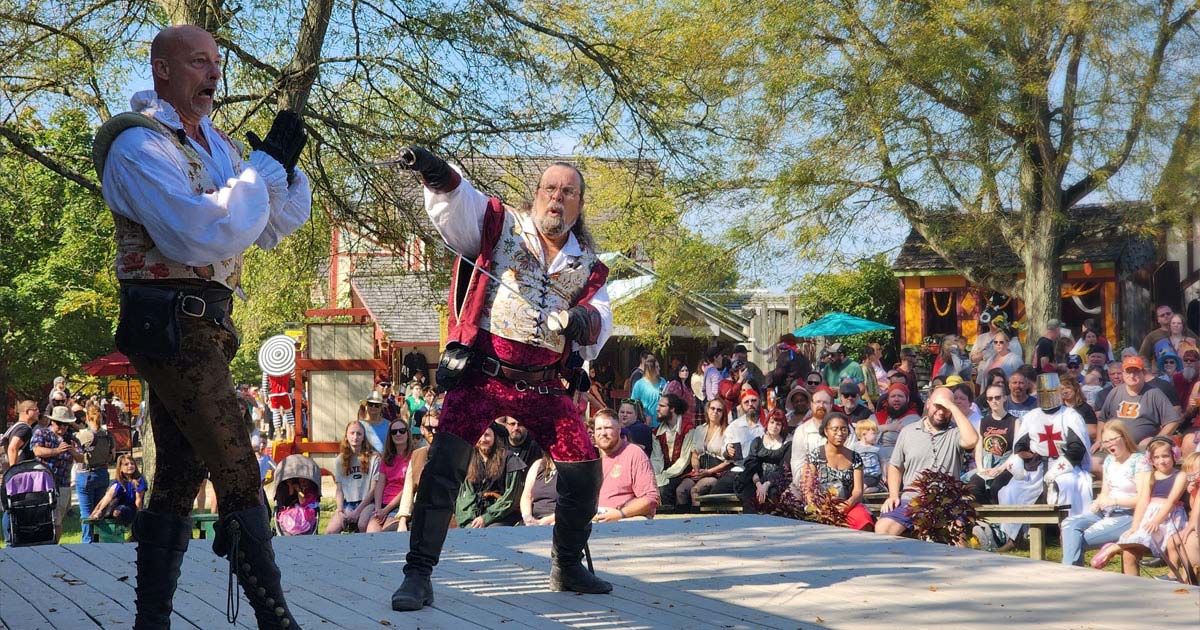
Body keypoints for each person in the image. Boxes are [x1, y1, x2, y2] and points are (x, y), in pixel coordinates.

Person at [92, 23, 311, 627]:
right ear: (162, 70)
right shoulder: (137, 144)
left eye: (216, 62)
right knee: (237, 460)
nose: (214, 73)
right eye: (197, 62)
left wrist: (281, 168)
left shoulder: (214, 144)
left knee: (181, 473)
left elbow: (266, 225)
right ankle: (276, 619)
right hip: (166, 320)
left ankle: (151, 619)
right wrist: (260, 172)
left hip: (207, 322)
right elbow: (197, 230)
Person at [391, 148, 614, 608]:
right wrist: (431, 168)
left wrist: (578, 321)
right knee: (443, 468)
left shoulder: (588, 266)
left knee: (585, 467)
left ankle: (567, 566)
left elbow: (600, 319)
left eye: (568, 192)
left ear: (579, 204)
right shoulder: (501, 223)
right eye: (550, 189)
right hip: (482, 375)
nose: (557, 198)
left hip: (543, 384)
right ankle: (417, 574)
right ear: (537, 196)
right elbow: (459, 199)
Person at [991, 373, 1093, 549]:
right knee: (1011, 491)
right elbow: (1020, 445)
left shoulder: (1070, 416)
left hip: (1066, 466)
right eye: (1042, 391)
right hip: (1036, 466)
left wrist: (1058, 469)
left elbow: (1077, 448)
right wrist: (1023, 460)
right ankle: (1014, 538)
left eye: (1050, 391)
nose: (1046, 395)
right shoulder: (1032, 416)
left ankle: (1069, 536)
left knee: (1068, 486)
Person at [875, 387, 979, 537]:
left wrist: (953, 407)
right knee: (882, 529)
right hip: (912, 499)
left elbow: (972, 440)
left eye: (947, 408)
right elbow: (895, 466)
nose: (942, 412)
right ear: (928, 403)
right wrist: (892, 495)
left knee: (957, 539)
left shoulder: (956, 432)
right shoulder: (908, 431)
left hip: (946, 501)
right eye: (938, 406)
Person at [1090, 438, 1188, 575]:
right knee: (1131, 549)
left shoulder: (1180, 475)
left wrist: (1157, 520)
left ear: (1174, 455)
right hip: (1150, 514)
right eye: (1157, 457)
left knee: (1152, 538)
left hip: (1169, 516)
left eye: (1165, 456)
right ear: (1151, 460)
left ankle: (1114, 547)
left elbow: (1172, 501)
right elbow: (1143, 501)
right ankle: (1130, 588)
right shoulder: (1151, 476)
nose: (1161, 461)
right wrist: (1135, 525)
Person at [1058, 420, 1147, 566]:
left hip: (1129, 514)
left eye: (1113, 439)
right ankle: (1071, 571)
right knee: (1069, 524)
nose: (1109, 444)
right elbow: (1105, 491)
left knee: (1076, 539)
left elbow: (1143, 498)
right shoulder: (1109, 461)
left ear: (1124, 438)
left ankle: (1069, 572)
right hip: (1105, 512)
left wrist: (1115, 501)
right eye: (1105, 441)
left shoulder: (1139, 461)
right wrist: (1099, 500)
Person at [802, 413, 874, 531]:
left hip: (848, 504)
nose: (840, 433)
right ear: (826, 431)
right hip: (821, 506)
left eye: (844, 429)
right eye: (835, 429)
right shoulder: (815, 455)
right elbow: (807, 488)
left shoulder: (855, 457)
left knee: (864, 521)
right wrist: (815, 506)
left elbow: (858, 490)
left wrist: (848, 504)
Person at [1098, 356, 1181, 449]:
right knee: (1095, 461)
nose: (1132, 376)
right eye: (1128, 372)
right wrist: (1099, 440)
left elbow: (1173, 421)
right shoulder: (1115, 392)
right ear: (1123, 374)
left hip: (1142, 447)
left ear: (1143, 373)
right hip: (1114, 445)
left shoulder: (1154, 393)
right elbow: (1102, 419)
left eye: (1136, 372)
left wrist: (1156, 440)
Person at [593, 410, 659, 520]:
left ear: (619, 430)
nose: (603, 433)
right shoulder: (590, 456)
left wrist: (620, 514)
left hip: (625, 520)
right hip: (593, 519)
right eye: (599, 429)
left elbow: (651, 498)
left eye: (608, 428)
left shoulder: (634, 453)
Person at [456, 426, 526, 528]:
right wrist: (469, 522)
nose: (483, 439)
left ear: (495, 437)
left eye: (487, 435)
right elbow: (465, 497)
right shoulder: (470, 460)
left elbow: (511, 498)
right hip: (476, 517)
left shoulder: (510, 460)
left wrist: (486, 518)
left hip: (502, 516)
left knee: (492, 531)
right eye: (480, 435)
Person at [31, 406, 83, 542]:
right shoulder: (41, 433)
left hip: (63, 483)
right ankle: (40, 544)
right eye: (59, 423)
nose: (63, 427)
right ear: (52, 422)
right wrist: (56, 451)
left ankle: (54, 545)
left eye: (65, 424)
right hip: (43, 484)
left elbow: (82, 458)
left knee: (58, 520)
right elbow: (37, 451)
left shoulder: (71, 438)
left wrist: (73, 451)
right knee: (42, 518)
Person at [967, 384, 1019, 507]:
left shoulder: (1014, 421)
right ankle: (987, 520)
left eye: (997, 397)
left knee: (997, 486)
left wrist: (1001, 468)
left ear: (1004, 398)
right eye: (990, 398)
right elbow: (979, 449)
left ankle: (1000, 522)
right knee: (973, 485)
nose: (994, 401)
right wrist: (981, 469)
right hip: (987, 465)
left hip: (1006, 466)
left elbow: (1016, 451)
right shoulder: (982, 422)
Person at [326, 420, 381, 534]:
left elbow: (373, 489)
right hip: (348, 504)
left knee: (362, 525)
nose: (355, 437)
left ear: (363, 437)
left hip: (367, 503)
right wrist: (340, 510)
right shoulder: (339, 460)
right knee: (331, 531)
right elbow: (339, 490)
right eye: (352, 433)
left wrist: (357, 511)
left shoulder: (374, 458)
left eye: (359, 434)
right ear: (346, 435)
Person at [678, 398, 733, 508]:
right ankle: (683, 522)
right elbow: (694, 453)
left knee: (695, 491)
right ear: (707, 410)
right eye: (712, 408)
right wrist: (697, 469)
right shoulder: (699, 429)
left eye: (719, 410)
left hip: (717, 472)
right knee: (681, 490)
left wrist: (708, 471)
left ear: (723, 413)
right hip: (699, 470)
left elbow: (729, 462)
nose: (715, 412)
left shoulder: (728, 431)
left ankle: (700, 522)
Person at [74, 401, 114, 545]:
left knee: (86, 512)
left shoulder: (83, 436)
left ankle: (87, 541)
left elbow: (78, 455)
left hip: (86, 474)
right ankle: (100, 539)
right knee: (100, 509)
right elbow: (112, 456)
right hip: (103, 472)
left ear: (87, 417)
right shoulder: (107, 435)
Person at [738, 409, 791, 512]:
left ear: (782, 426)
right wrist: (759, 484)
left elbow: (783, 468)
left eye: (778, 424)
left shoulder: (787, 444)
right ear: (767, 423)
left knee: (773, 493)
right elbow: (751, 465)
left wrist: (766, 485)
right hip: (756, 478)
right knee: (749, 493)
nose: (774, 426)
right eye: (772, 422)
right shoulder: (757, 441)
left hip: (776, 480)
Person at [369, 418, 417, 532]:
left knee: (387, 531)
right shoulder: (386, 458)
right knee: (370, 531)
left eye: (402, 430)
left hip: (401, 505)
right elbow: (380, 484)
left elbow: (408, 488)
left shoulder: (414, 457)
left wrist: (385, 510)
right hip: (383, 503)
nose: (398, 434)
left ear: (407, 433)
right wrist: (378, 509)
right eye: (394, 432)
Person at [650, 394, 694, 509]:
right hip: (666, 473)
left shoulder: (687, 428)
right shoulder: (657, 432)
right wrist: (657, 476)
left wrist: (665, 475)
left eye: (662, 406)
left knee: (666, 489)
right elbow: (656, 458)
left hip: (685, 473)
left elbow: (684, 459)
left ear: (672, 409)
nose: (657, 408)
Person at [89, 454, 146, 526]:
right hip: (115, 506)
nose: (130, 466)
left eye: (132, 464)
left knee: (117, 512)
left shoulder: (139, 481)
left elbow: (139, 501)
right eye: (126, 464)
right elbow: (106, 497)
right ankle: (99, 512)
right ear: (120, 468)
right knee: (114, 488)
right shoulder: (118, 482)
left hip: (131, 508)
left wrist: (139, 517)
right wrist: (95, 511)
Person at [873, 384, 921, 466]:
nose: (896, 399)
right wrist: (887, 427)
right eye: (893, 396)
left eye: (900, 396)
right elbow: (862, 431)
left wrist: (876, 430)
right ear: (887, 399)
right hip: (874, 462)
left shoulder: (914, 419)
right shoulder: (876, 416)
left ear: (907, 399)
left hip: (899, 462)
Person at [520, 453, 559, 526]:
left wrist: (543, 522)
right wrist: (528, 518)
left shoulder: (569, 470)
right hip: (533, 521)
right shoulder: (537, 465)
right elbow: (527, 496)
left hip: (556, 521)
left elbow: (573, 506)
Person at [853, 418, 884, 493]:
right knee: (859, 489)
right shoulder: (855, 447)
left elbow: (882, 462)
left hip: (873, 476)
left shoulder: (877, 448)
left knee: (860, 489)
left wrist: (884, 475)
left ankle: (879, 486)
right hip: (859, 475)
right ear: (864, 434)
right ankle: (878, 488)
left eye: (876, 433)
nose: (876, 435)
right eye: (873, 433)